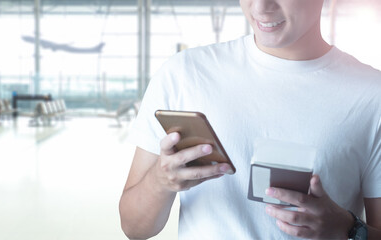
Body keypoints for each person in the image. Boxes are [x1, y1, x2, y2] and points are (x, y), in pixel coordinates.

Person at [119, 0, 381, 239]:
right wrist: (159, 182)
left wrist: (348, 228)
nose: (261, 7)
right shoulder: (184, 73)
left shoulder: (372, 95)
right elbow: (134, 228)